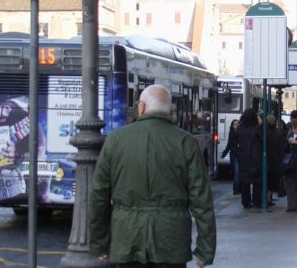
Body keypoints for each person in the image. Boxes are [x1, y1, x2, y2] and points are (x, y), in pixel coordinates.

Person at [89, 85, 216, 267]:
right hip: (171, 239)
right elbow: (202, 200)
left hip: (126, 236)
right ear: (169, 110)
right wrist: (206, 249)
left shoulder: (115, 140)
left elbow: (99, 195)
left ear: (141, 107)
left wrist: (100, 243)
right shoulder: (185, 141)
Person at [237, 108, 263, 209]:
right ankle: (256, 201)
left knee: (245, 182)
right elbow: (261, 141)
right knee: (257, 181)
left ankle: (246, 202)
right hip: (255, 157)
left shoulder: (240, 129)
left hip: (243, 158)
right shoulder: (257, 129)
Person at [221, 119, 240, 195]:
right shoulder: (231, 133)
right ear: (232, 126)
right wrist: (224, 154)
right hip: (234, 155)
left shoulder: (241, 133)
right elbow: (229, 144)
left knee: (239, 173)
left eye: (237, 123)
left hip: (241, 155)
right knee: (236, 172)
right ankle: (235, 190)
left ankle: (238, 189)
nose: (236, 125)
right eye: (234, 124)